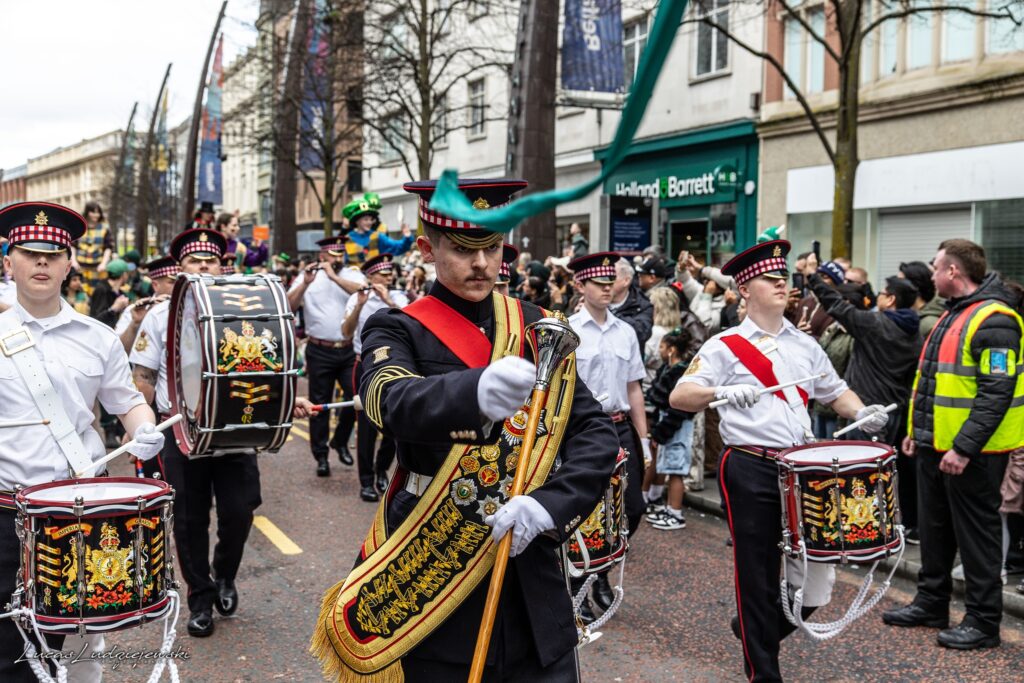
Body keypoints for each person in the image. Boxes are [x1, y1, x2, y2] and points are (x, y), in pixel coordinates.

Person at [311, 177, 616, 682]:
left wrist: (549, 505)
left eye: (491, 248)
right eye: (462, 249)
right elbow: (388, 398)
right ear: (428, 249)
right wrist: (471, 394)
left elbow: (594, 434)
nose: (480, 264)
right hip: (431, 563)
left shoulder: (538, 325)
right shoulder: (396, 327)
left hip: (529, 565)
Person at [671, 239, 891, 682]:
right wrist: (721, 392)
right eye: (771, 279)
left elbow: (833, 390)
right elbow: (681, 395)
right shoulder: (724, 346)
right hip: (750, 465)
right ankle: (764, 673)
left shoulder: (805, 344)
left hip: (802, 468)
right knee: (757, 573)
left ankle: (755, 629)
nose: (782, 285)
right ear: (746, 289)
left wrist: (861, 411)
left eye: (784, 278)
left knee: (818, 582)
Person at [0, 201, 164, 682]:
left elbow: (126, 401)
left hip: (78, 513)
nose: (43, 262)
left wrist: (144, 427)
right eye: (30, 252)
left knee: (83, 644)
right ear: (9, 261)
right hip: (6, 513)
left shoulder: (99, 338)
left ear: (71, 261)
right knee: (12, 653)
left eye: (54, 252)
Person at [882, 239, 1024, 650]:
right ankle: (932, 602)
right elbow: (932, 381)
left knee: (977, 538)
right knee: (935, 529)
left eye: (936, 265)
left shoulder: (996, 320)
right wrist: (918, 432)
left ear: (954, 273)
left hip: (973, 454)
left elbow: (996, 392)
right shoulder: (955, 312)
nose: (930, 272)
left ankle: (982, 623)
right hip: (935, 445)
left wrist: (963, 447)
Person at [129, 227, 262, 638]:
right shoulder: (158, 314)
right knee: (187, 520)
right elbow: (143, 376)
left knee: (239, 512)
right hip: (180, 428)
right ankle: (200, 599)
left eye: (211, 260)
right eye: (194, 261)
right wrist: (143, 426)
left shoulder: (244, 309)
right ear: (181, 268)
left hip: (231, 426)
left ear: (223, 265)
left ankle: (225, 575)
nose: (204, 266)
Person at [568, 250, 650, 620]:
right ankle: (578, 583)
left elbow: (634, 387)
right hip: (583, 428)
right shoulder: (569, 330)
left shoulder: (626, 331)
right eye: (598, 284)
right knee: (586, 509)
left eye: (608, 284)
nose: (605, 290)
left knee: (632, 507)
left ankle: (601, 569)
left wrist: (644, 440)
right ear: (579, 285)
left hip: (619, 425)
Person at [286, 236, 366, 476]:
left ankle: (340, 441)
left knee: (357, 399)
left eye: (341, 253)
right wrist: (305, 283)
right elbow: (288, 306)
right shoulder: (306, 276)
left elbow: (363, 292)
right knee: (318, 404)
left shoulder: (351, 274)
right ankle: (321, 456)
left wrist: (333, 276)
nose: (338, 257)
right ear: (322, 256)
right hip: (319, 349)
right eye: (332, 254)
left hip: (348, 348)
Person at [341, 253, 409, 501]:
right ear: (369, 276)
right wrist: (359, 304)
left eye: (390, 273)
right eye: (383, 273)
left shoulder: (399, 297)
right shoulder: (356, 297)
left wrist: (387, 299)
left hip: (396, 368)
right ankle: (366, 482)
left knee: (393, 425)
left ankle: (382, 470)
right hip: (364, 366)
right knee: (367, 428)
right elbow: (346, 332)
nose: (388, 276)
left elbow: (413, 324)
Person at [644, 328, 695, 531]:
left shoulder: (679, 373)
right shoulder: (670, 369)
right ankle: (668, 509)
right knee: (670, 465)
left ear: (672, 349)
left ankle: (675, 513)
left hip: (676, 426)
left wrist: (661, 432)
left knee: (676, 470)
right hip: (669, 423)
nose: (660, 350)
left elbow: (678, 410)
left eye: (663, 347)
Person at [117, 256, 178, 353]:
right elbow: (118, 352)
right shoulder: (135, 310)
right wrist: (135, 324)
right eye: (173, 282)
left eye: (181, 282)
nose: (179, 286)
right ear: (155, 285)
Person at [342, 192, 414, 263]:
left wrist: (407, 238)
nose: (369, 222)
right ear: (357, 221)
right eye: (366, 219)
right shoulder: (347, 239)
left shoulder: (378, 237)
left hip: (374, 274)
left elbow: (396, 247)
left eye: (370, 219)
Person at [608, 257, 654, 348]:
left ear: (626, 281)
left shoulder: (642, 305)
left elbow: (641, 333)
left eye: (610, 277)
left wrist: (607, 315)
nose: (604, 281)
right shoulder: (592, 301)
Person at [71, 200, 114, 292]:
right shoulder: (80, 226)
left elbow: (108, 247)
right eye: (93, 212)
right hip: (80, 267)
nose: (96, 215)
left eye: (98, 212)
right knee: (82, 291)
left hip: (98, 268)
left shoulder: (104, 228)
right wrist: (73, 261)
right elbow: (73, 245)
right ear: (87, 212)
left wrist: (103, 263)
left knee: (97, 292)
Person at [899, 260, 945, 337]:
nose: (894, 287)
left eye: (900, 283)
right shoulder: (910, 315)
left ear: (914, 286)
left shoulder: (929, 325)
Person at [88, 258, 130, 328]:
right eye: (127, 273)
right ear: (124, 274)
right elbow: (94, 320)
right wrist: (113, 309)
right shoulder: (101, 289)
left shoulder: (120, 293)